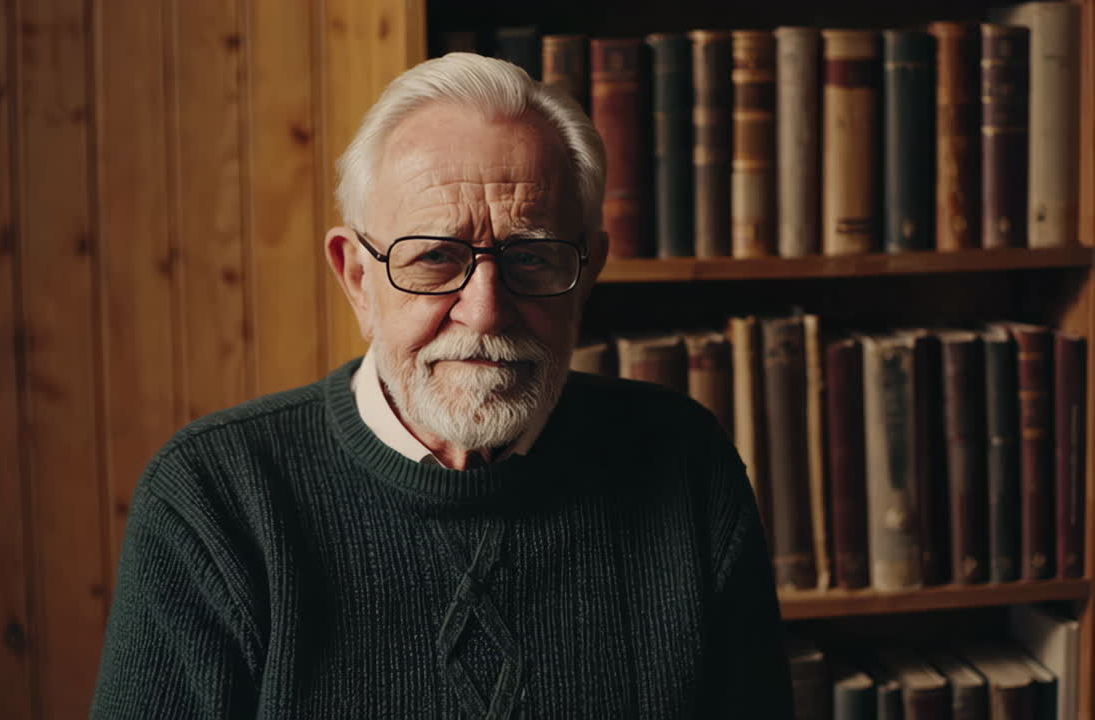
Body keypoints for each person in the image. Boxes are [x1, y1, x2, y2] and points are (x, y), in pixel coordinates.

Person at [92, 53, 793, 719]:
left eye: (532, 258)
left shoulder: (684, 461)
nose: (485, 309)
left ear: (588, 275)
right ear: (358, 279)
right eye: (433, 257)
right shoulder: (216, 497)